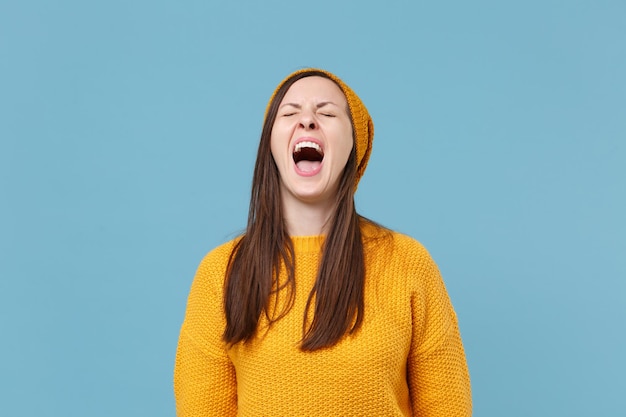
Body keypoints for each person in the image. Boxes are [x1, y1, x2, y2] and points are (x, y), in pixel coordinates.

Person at [174, 68, 472, 416]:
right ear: (270, 144)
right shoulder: (221, 273)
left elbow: (447, 408)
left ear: (354, 145)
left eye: (327, 113)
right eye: (290, 113)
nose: (307, 121)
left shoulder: (407, 262)